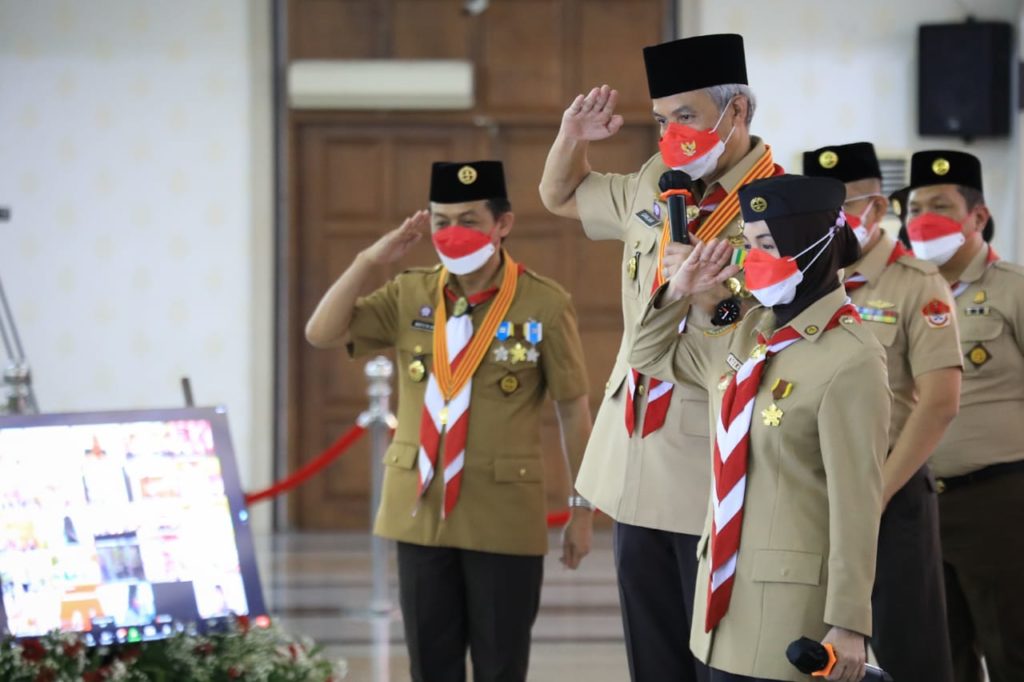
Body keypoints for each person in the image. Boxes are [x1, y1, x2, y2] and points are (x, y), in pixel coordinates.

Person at [538, 33, 781, 681]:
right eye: (663, 120)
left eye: (688, 117)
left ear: (739, 113)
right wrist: (572, 137)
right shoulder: (655, 182)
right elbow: (563, 197)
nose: (673, 135)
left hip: (713, 462)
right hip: (636, 454)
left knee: (719, 656)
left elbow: (778, 335)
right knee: (652, 655)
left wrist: (710, 294)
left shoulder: (783, 206)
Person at [305, 160, 594, 682]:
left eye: (469, 220)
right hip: (420, 512)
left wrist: (582, 508)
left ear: (502, 224)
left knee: (501, 666)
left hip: (502, 513)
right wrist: (369, 259)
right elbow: (321, 332)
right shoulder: (409, 293)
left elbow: (572, 406)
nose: (453, 234)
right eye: (441, 222)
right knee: (429, 666)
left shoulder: (543, 302)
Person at [629, 174, 889, 682]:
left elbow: (857, 503)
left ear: (811, 245)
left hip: (791, 612)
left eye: (766, 245)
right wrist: (680, 289)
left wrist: (850, 623)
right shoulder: (751, 333)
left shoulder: (852, 358)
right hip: (719, 606)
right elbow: (648, 356)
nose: (752, 260)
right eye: (747, 246)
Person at [803, 142, 962, 682]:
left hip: (889, 492)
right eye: (826, 209)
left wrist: (876, 493)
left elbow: (939, 402)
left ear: (877, 205)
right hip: (814, 492)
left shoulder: (915, 282)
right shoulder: (800, 282)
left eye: (847, 205)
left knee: (906, 646)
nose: (838, 220)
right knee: (817, 649)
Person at [905, 149, 1024, 682]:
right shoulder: (898, 296)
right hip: (918, 503)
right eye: (913, 207)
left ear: (977, 216)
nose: (922, 218)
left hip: (999, 502)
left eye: (940, 205)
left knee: (1012, 650)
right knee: (937, 657)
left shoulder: (1013, 289)